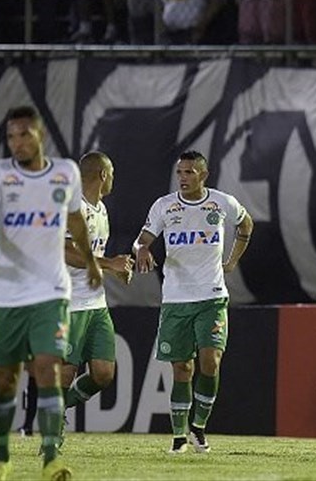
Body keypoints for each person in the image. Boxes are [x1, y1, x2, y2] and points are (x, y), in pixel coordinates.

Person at [0, 106, 102, 481]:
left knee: (49, 370)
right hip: (6, 293)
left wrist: (91, 263)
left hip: (51, 291)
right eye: (11, 136)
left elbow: (76, 222)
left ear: (40, 135)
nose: (17, 143)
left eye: (24, 134)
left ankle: (50, 459)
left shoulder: (66, 173)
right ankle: (1, 457)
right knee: (4, 378)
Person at [133, 150, 254, 454]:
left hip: (211, 296)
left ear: (204, 175)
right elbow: (141, 239)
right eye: (180, 172)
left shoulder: (222, 203)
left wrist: (232, 261)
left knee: (211, 360)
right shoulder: (164, 206)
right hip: (176, 299)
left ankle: (198, 427)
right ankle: (178, 436)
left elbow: (246, 225)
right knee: (182, 368)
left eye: (189, 172)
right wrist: (142, 249)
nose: (183, 178)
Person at [61, 152, 134, 424]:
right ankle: (51, 430)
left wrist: (114, 270)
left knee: (103, 373)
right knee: (66, 371)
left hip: (96, 303)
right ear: (103, 174)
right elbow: (65, 251)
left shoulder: (101, 209)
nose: (113, 178)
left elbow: (93, 256)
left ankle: (56, 407)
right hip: (70, 302)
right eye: (111, 173)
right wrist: (109, 263)